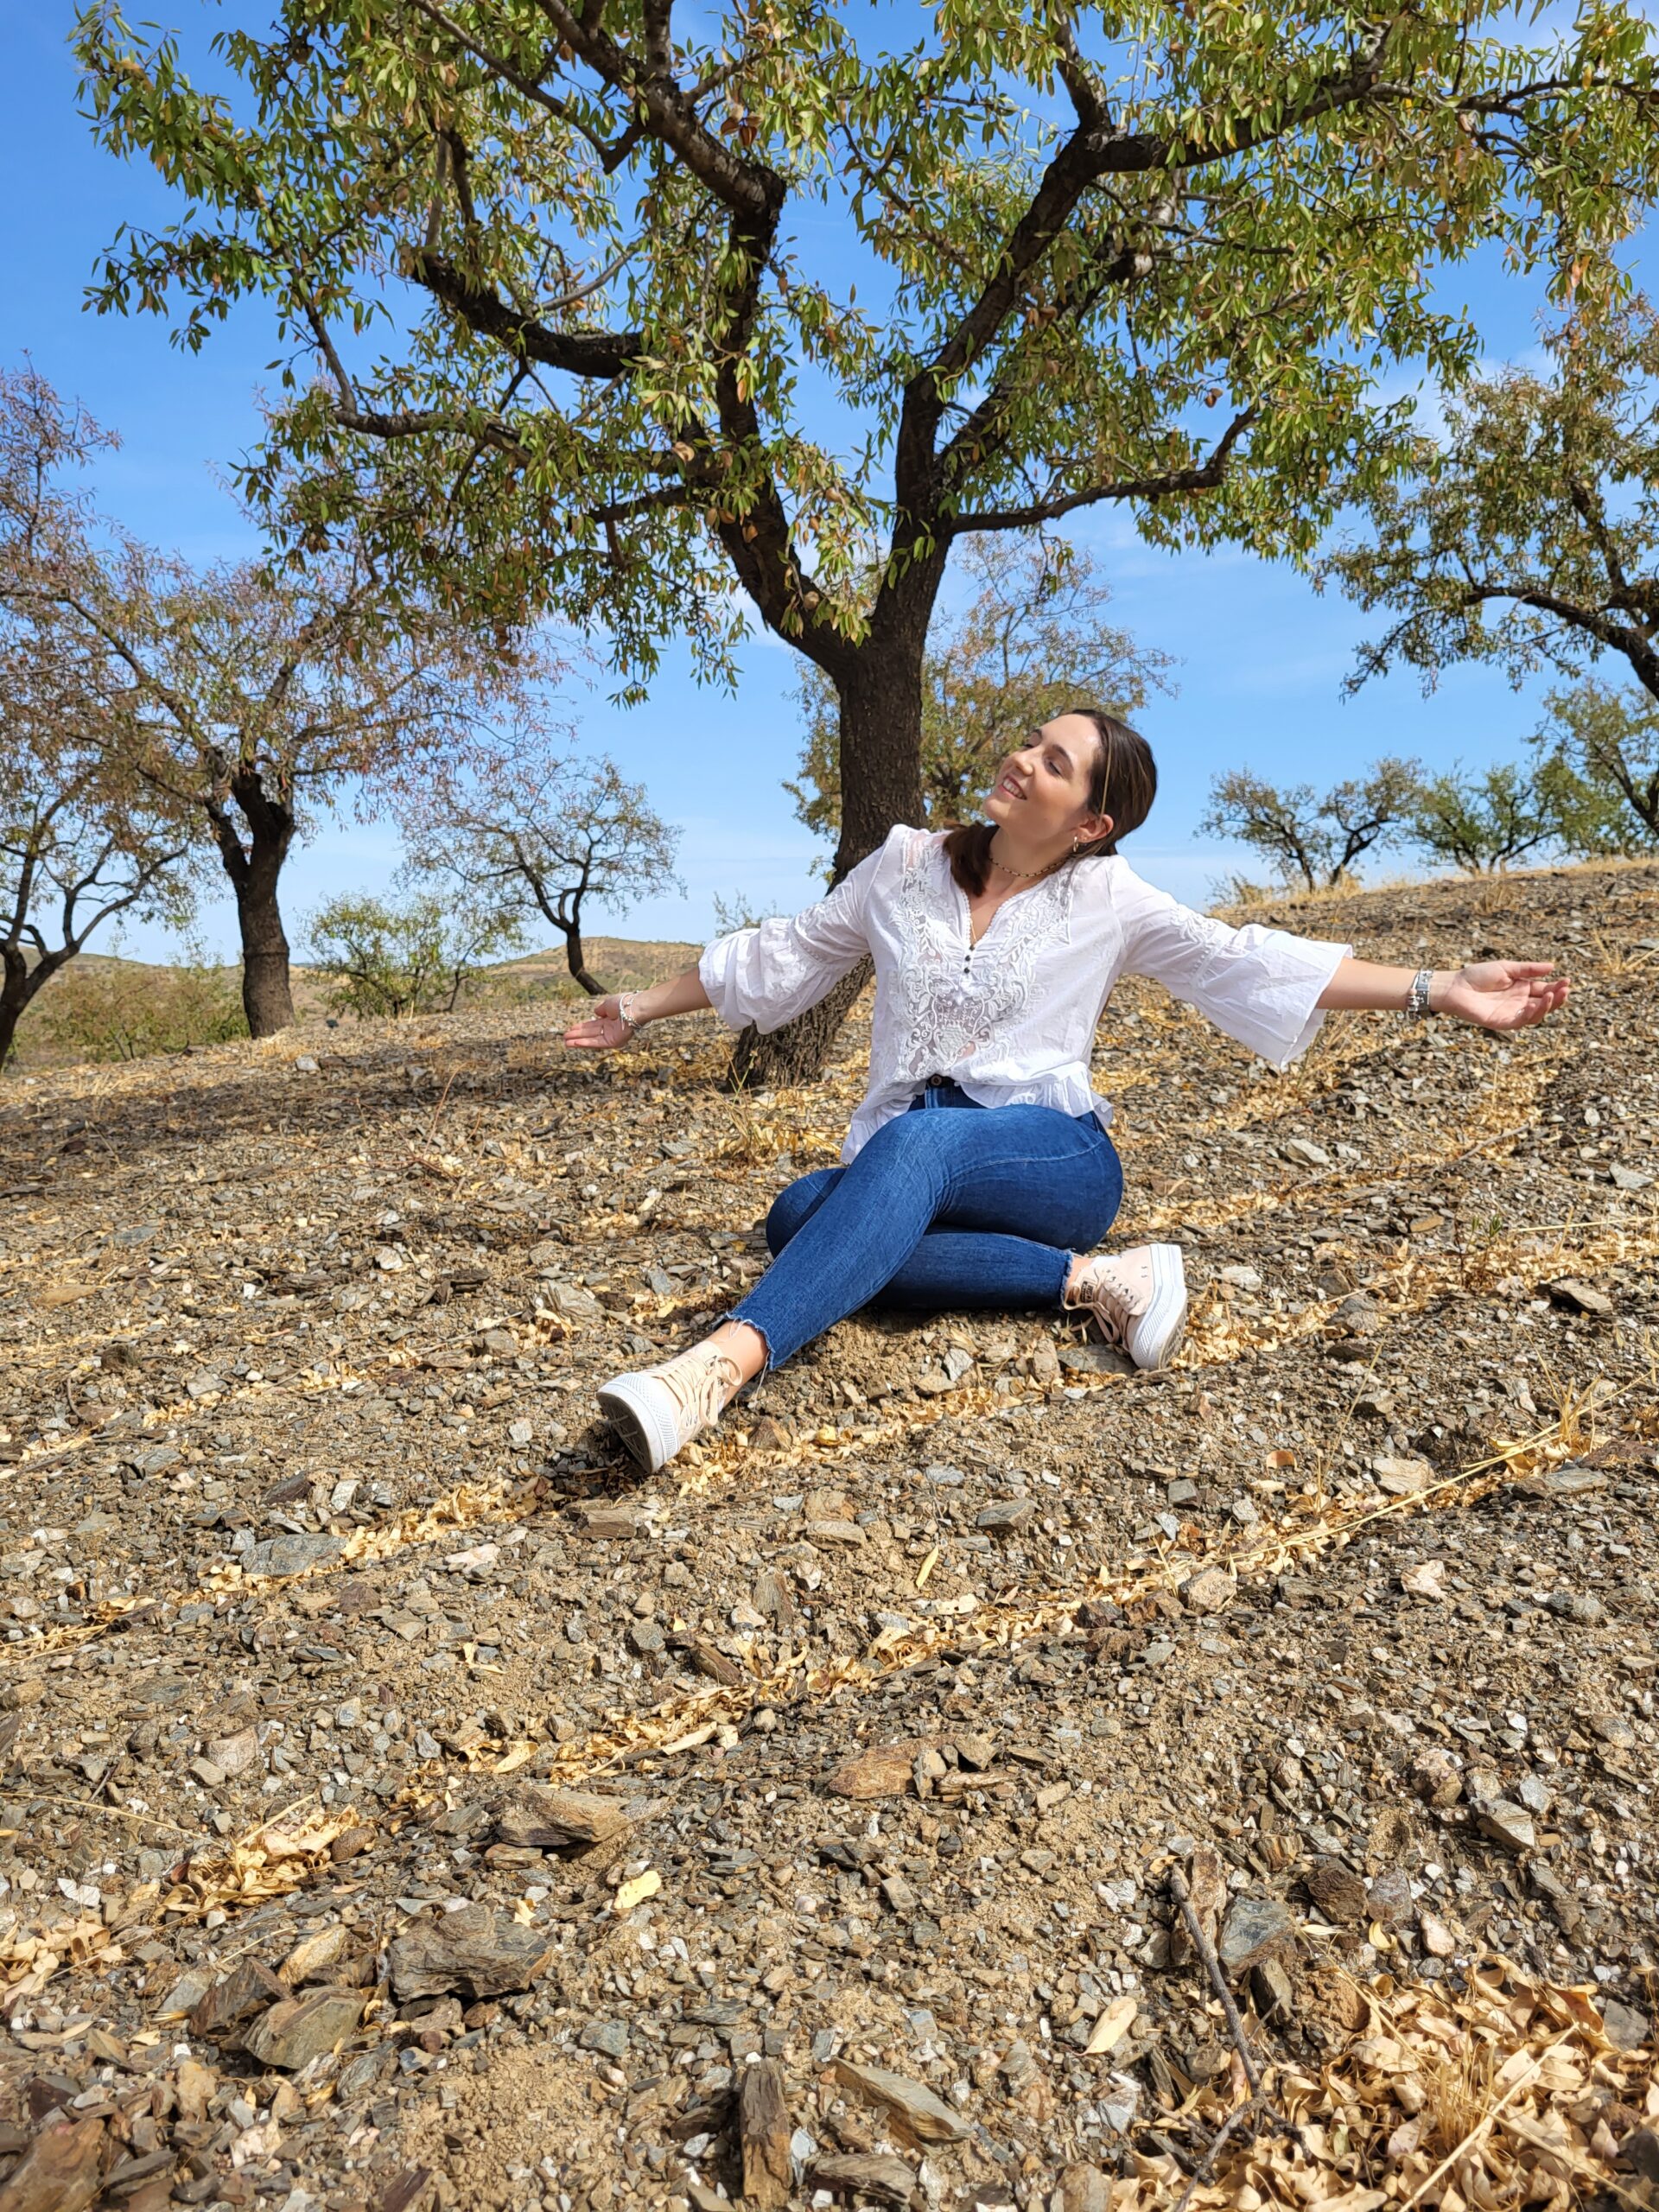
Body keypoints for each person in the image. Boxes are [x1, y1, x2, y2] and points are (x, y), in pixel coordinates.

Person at [564, 709, 1568, 1475]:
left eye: (1053, 762)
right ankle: (1095, 1280)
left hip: (1050, 1158)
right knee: (799, 1213)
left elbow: (1243, 958)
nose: (1022, 760)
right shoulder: (905, 863)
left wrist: (1440, 987)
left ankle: (712, 1371)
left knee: (902, 1151)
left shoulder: (1108, 897)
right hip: (919, 1154)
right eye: (1031, 743)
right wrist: (639, 1007)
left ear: (1091, 822)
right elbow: (786, 952)